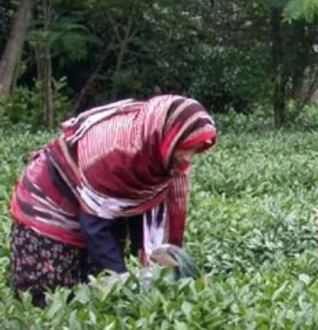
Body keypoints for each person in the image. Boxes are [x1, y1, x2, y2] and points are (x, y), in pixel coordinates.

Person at [9, 95, 217, 305]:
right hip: (50, 200)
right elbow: (95, 225)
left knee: (97, 292)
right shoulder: (113, 152)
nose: (188, 158)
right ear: (168, 136)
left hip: (98, 209)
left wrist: (150, 267)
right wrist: (119, 279)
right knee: (53, 294)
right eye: (185, 147)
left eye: (195, 150)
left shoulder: (155, 154)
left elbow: (142, 208)